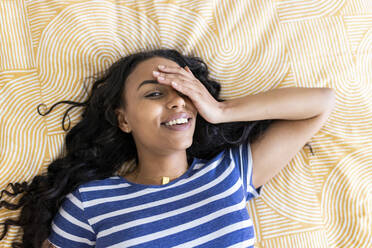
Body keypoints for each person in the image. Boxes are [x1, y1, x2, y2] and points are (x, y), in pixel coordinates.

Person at [0, 48, 335, 248]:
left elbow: (321, 103)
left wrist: (220, 111)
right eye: (154, 93)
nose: (177, 102)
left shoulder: (228, 173)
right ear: (123, 119)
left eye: (185, 92)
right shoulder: (90, 203)